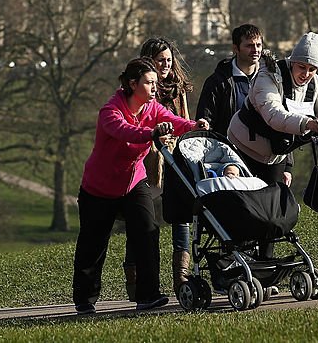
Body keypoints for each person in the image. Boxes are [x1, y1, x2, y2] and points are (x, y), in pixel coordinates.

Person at [72, 57, 208, 314]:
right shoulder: (110, 111)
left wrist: (193, 125)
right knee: (93, 243)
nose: (155, 87)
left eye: (156, 82)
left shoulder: (151, 107)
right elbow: (126, 132)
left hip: (133, 182)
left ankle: (148, 295)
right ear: (133, 84)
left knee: (147, 231)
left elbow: (171, 119)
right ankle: (85, 300)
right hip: (99, 188)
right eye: (149, 82)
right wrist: (151, 133)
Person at [227, 31, 318, 187]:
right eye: (302, 67)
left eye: (312, 69)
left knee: (275, 203)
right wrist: (307, 123)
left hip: (276, 154)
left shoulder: (316, 85)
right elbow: (274, 115)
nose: (306, 74)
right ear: (292, 62)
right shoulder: (268, 75)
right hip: (242, 147)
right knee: (245, 200)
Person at [136, 36, 195, 295]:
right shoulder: (142, 90)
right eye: (160, 60)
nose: (166, 65)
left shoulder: (177, 88)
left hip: (177, 156)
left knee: (181, 215)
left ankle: (181, 276)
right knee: (146, 220)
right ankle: (139, 278)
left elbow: (184, 119)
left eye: (169, 60)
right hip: (149, 159)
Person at [196, 24, 263, 137]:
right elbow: (205, 122)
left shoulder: (272, 78)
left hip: (266, 152)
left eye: (258, 45)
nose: (255, 50)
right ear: (236, 48)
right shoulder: (217, 82)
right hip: (228, 150)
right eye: (249, 46)